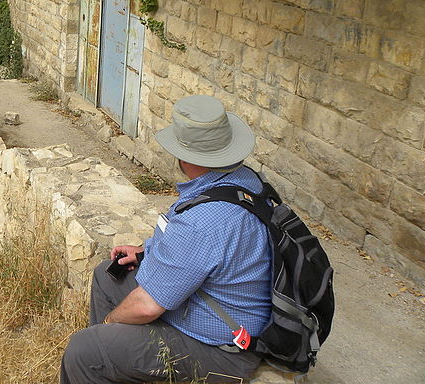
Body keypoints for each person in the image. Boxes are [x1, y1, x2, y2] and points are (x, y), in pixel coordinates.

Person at [60, 95, 272, 383]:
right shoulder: (242, 182)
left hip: (221, 351)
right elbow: (199, 251)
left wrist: (110, 324)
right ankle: (114, 366)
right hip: (221, 311)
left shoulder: (204, 219)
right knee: (107, 276)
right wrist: (146, 250)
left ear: (185, 156)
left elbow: (147, 306)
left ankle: (101, 356)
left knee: (84, 350)